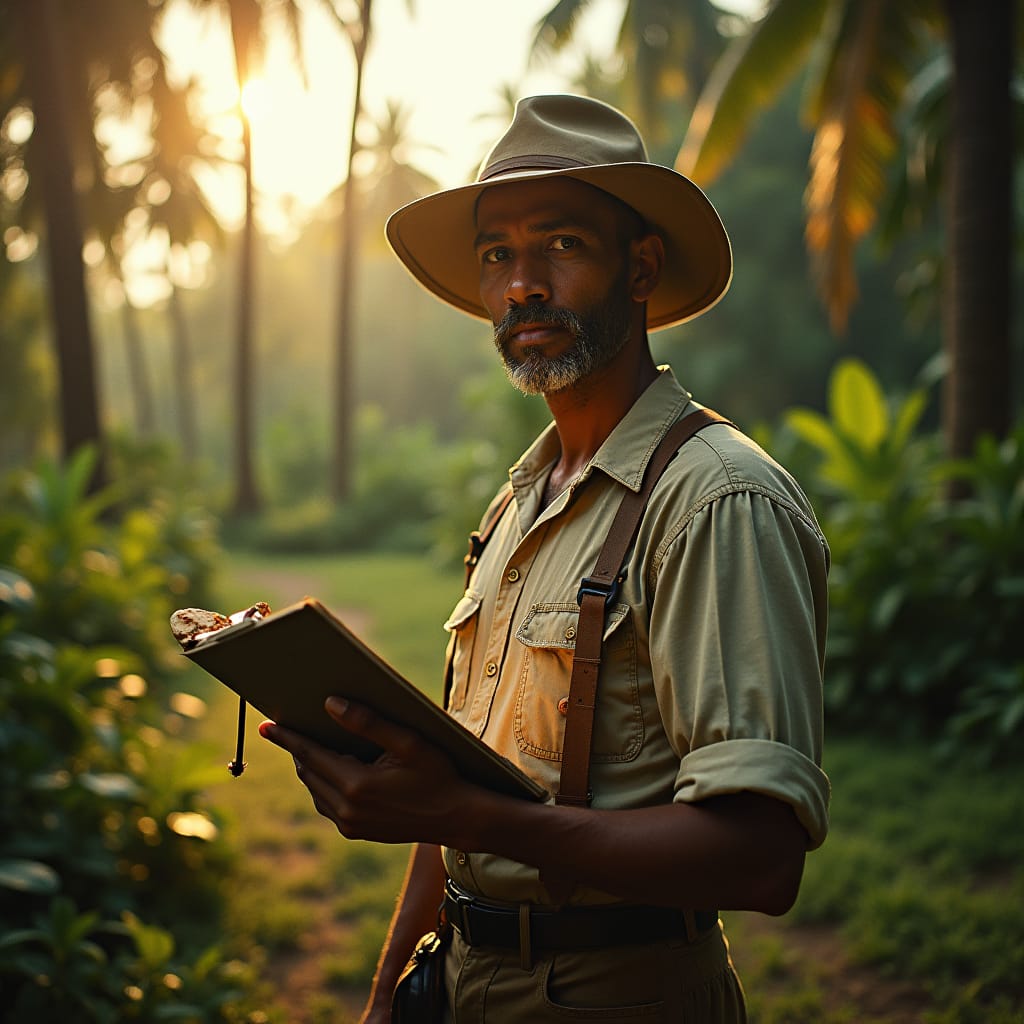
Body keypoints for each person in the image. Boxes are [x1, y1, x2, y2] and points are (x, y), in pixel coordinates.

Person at [259, 94, 830, 1022]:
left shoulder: (716, 499)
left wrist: (464, 817)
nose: (523, 284)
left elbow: (761, 860)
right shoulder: (522, 501)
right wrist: (384, 995)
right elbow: (461, 791)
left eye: (560, 244)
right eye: (497, 255)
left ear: (640, 266)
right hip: (469, 981)